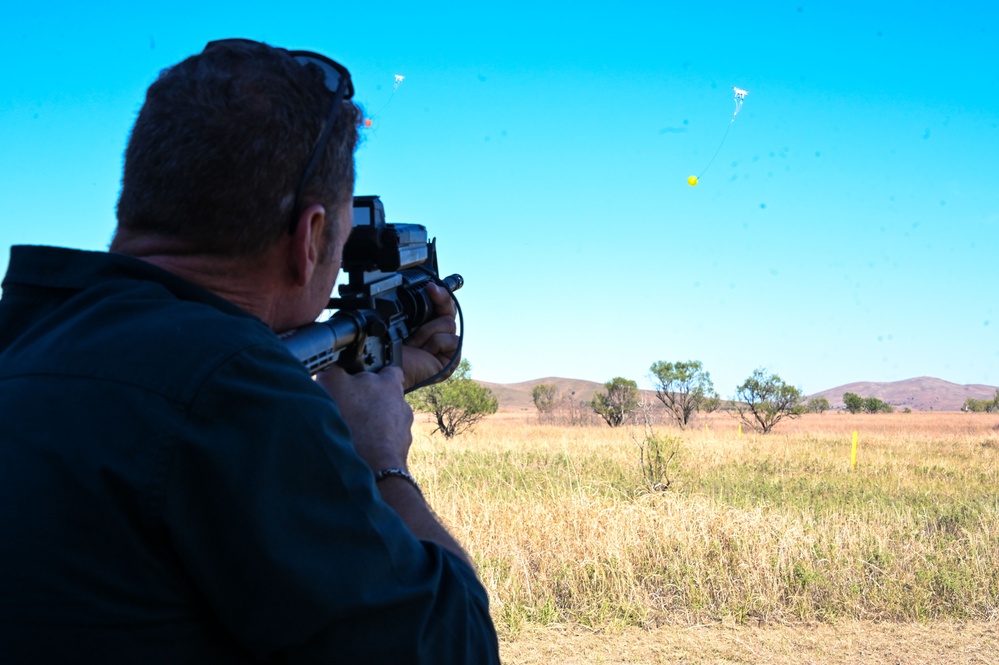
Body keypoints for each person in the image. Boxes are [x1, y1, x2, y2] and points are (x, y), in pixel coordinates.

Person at [0, 39, 500, 663]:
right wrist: (381, 461)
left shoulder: (31, 332)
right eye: (342, 238)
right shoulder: (233, 390)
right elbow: (453, 647)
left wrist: (388, 377)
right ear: (311, 237)